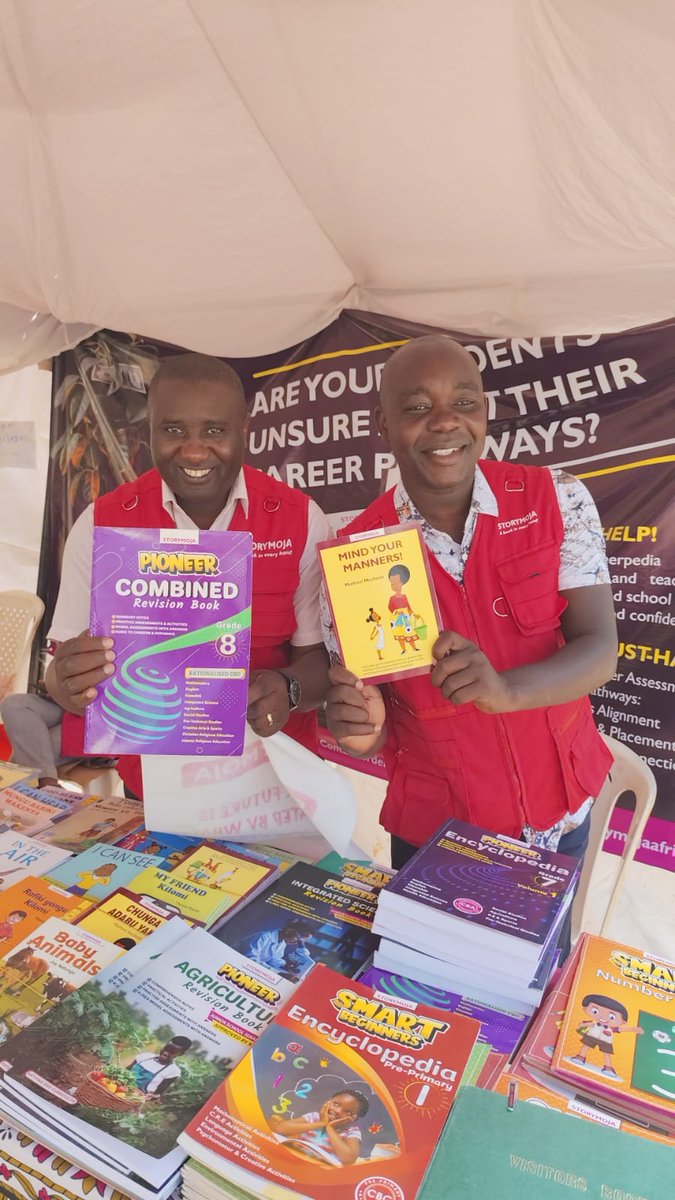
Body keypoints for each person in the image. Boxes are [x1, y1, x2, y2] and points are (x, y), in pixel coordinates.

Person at [324, 336, 617, 941]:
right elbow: (371, 727)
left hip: (561, 814)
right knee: (435, 999)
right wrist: (357, 726)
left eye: (464, 401)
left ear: (485, 412)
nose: (445, 421)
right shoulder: (357, 551)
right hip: (439, 832)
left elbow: (599, 650)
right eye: (416, 407)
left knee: (540, 972)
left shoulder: (555, 499)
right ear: (382, 424)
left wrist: (505, 689)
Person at [44, 353, 331, 800]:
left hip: (277, 785)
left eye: (214, 431)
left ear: (244, 430)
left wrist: (288, 689)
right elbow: (60, 675)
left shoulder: (298, 520)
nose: (195, 451)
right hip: (156, 790)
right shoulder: (103, 525)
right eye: (173, 430)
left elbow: (321, 661)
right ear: (150, 430)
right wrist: (64, 682)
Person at [270, 1089, 369, 1166]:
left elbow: (349, 1159)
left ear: (353, 1118)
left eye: (347, 1111)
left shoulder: (352, 1131)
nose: (338, 1111)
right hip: (297, 1159)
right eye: (336, 1104)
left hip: (321, 1169)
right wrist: (320, 1123)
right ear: (328, 1102)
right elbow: (280, 1129)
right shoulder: (314, 1117)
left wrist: (330, 1128)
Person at [570, 994, 643, 1078]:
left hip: (605, 1041)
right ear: (585, 1009)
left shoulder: (611, 1028)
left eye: (611, 1017)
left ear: (623, 1021)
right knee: (585, 1046)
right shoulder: (594, 1023)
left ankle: (608, 1068)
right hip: (591, 1037)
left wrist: (632, 1029)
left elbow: (620, 1029)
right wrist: (582, 1024)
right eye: (595, 1011)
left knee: (606, 1054)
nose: (603, 1017)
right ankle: (580, 1057)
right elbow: (586, 1024)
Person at [245, 919, 314, 981]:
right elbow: (250, 959)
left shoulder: (282, 943)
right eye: (298, 940)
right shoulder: (264, 937)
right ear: (288, 931)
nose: (296, 943)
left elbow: (274, 959)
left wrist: (284, 966)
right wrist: (278, 973)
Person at [127, 1036, 192, 1098]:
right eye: (166, 1048)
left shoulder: (173, 1071)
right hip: (118, 1091)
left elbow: (158, 1094)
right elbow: (126, 1071)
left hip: (134, 1100)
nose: (165, 1053)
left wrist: (152, 1096)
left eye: (172, 1052)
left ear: (180, 1054)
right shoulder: (145, 1056)